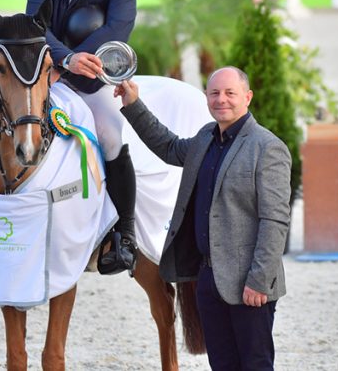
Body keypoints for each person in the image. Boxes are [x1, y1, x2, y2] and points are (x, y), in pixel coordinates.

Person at [115, 67, 291, 370]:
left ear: (247, 97)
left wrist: (259, 281)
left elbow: (274, 221)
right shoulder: (205, 138)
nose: (221, 99)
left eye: (230, 93)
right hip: (208, 278)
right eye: (214, 93)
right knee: (221, 364)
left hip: (249, 283)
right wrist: (133, 104)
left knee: (255, 364)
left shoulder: (268, 148)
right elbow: (167, 146)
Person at [24, 0, 138, 275]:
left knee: (110, 133)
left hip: (94, 77)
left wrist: (78, 62)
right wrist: (64, 57)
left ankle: (124, 234)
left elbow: (120, 25)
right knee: (0, 124)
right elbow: (34, 21)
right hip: (48, 70)